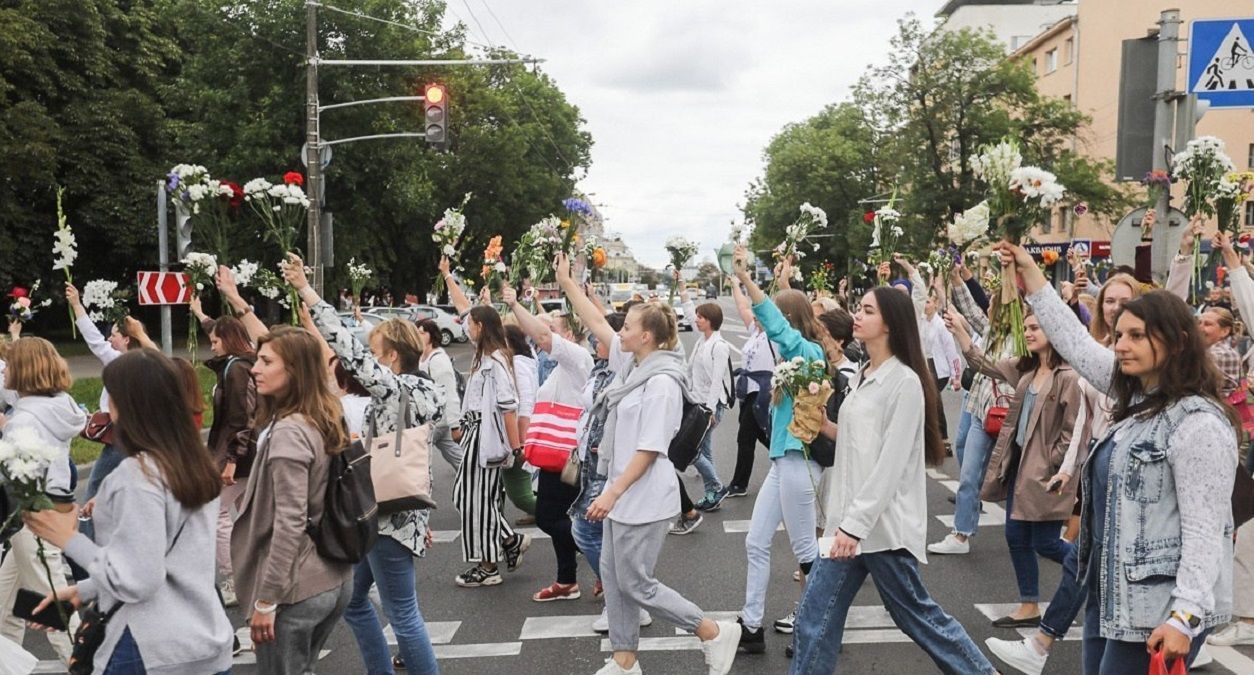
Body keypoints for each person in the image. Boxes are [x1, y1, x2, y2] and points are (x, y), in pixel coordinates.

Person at [992, 241, 1236, 674]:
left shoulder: (1198, 424)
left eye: (1137, 336)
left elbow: (1206, 529)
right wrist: (1031, 276)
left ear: (1178, 343)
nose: (1121, 345)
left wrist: (1185, 615)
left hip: (1156, 611)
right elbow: (1076, 344)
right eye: (1120, 335)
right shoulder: (1140, 396)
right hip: (1112, 597)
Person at [791, 286, 996, 674]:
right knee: (814, 618)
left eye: (868, 310)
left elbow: (890, 464)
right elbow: (858, 443)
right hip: (852, 525)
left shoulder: (904, 383)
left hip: (879, 527)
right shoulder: (865, 375)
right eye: (860, 307)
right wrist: (822, 425)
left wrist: (853, 527)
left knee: (917, 617)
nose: (857, 315)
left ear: (889, 323)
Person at [24, 349, 233, 674]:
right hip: (205, 640)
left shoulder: (137, 475)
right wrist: (84, 590)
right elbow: (162, 560)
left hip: (148, 648)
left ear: (128, 406)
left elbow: (138, 579)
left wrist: (68, 540)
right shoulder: (193, 464)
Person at [286, 258, 447, 675]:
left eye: (377, 354)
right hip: (387, 510)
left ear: (392, 357)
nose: (370, 362)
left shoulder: (395, 390)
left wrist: (308, 290)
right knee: (354, 602)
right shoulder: (420, 388)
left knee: (403, 613)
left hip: (387, 514)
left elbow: (349, 353)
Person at [584, 297, 740, 675]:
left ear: (646, 336)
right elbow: (593, 320)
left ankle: (712, 631)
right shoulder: (633, 371)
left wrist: (612, 492)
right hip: (623, 494)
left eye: (626, 328)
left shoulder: (661, 382)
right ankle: (624, 661)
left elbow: (651, 449)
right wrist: (569, 282)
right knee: (614, 579)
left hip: (644, 498)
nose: (619, 332)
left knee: (636, 584)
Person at [231, 326, 355, 675]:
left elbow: (289, 523)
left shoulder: (289, 433)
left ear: (295, 371)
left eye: (266, 361)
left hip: (296, 587)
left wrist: (267, 599)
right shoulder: (325, 416)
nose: (254, 368)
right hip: (333, 573)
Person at [948, 306, 1081, 628]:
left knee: (1046, 542)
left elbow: (1072, 429)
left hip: (1047, 474)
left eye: (1037, 327)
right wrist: (959, 332)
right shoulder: (1026, 369)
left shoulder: (1069, 377)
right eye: (1028, 328)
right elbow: (983, 364)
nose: (1030, 333)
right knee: (1015, 536)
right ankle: (1029, 604)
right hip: (1020, 466)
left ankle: (1092, 569)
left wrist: (1051, 465)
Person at [726, 244, 828, 654]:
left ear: (788, 320)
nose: (767, 328)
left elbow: (777, 328)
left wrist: (749, 279)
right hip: (784, 461)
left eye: (777, 320)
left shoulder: (808, 352)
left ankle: (819, 626)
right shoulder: (795, 351)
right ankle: (751, 624)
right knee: (756, 541)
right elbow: (776, 326)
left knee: (805, 549)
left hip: (800, 463)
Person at [504, 284, 592, 602]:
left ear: (568, 335)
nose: (546, 332)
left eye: (554, 328)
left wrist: (515, 305)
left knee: (549, 518)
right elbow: (542, 331)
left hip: (565, 454)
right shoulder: (566, 363)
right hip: (555, 452)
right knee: (561, 517)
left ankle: (601, 560)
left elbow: (540, 335)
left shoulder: (577, 358)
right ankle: (567, 579)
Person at [0, 337, 84, 662]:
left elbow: (15, 481)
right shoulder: (59, 405)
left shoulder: (24, 419)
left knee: (53, 609)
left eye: (9, 364)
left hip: (33, 519)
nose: (4, 370)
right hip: (52, 510)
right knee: (5, 607)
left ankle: (84, 665)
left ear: (22, 371)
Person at [196, 309, 258, 608]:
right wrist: (199, 313)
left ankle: (235, 578)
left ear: (228, 340)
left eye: (215, 340)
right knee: (244, 517)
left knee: (215, 513)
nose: (212, 345)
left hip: (238, 454)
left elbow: (239, 417)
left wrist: (232, 459)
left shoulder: (236, 370)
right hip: (244, 451)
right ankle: (249, 575)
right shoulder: (241, 364)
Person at [64, 283, 136, 539]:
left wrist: (76, 305)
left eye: (114, 334)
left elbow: (94, 341)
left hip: (119, 441)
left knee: (93, 492)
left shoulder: (120, 361)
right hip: (135, 439)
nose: (109, 338)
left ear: (127, 339)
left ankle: (85, 557)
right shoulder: (145, 364)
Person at [679, 282, 733, 511]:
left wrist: (710, 410)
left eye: (701, 317)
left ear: (710, 320)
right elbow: (689, 313)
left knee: (689, 450)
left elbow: (716, 381)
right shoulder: (703, 341)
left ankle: (716, 486)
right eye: (698, 317)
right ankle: (713, 494)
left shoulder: (719, 346)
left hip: (709, 406)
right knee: (704, 449)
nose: (697, 320)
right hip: (697, 403)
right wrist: (682, 288)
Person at [727, 276, 776, 499]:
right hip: (748, 391)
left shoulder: (775, 335)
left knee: (745, 437)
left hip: (763, 391)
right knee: (763, 435)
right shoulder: (755, 332)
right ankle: (787, 461)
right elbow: (742, 306)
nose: (754, 315)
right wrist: (736, 284)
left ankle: (739, 483)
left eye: (759, 312)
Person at [503, 324, 540, 524]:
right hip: (514, 434)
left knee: (520, 494)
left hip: (515, 435)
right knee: (512, 487)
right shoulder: (523, 360)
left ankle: (556, 517)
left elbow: (525, 403)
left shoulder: (517, 364)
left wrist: (521, 442)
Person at [416, 318, 465, 468]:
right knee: (459, 460)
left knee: (416, 457)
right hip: (434, 419)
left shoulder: (438, 361)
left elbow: (450, 393)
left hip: (437, 421)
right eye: (416, 333)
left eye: (422, 333)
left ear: (432, 335)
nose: (418, 336)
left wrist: (455, 425)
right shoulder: (422, 356)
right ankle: (474, 481)